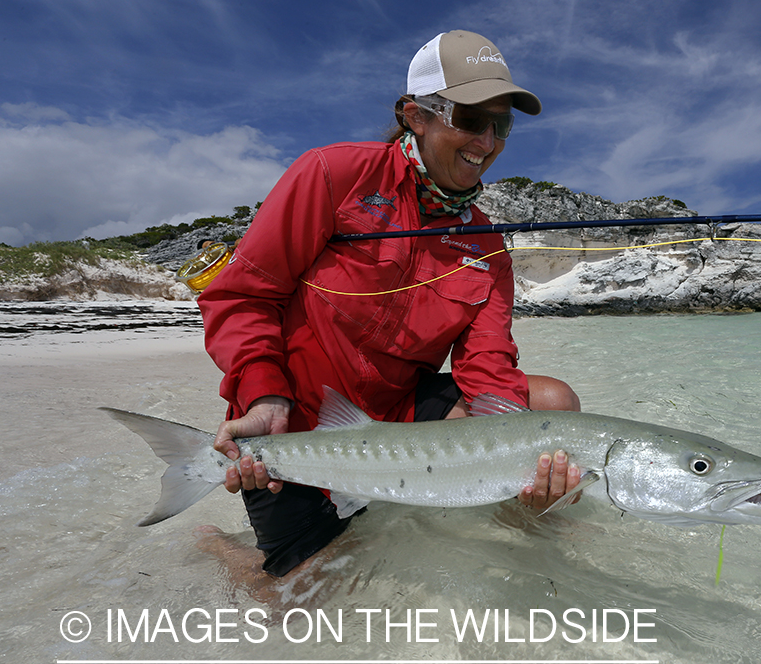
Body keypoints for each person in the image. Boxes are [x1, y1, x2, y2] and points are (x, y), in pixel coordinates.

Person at [197, 30, 581, 578]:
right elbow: (242, 296)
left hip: (398, 413)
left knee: (551, 408)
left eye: (503, 126)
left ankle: (522, 559)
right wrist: (263, 393)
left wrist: (519, 453)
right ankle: (219, 546)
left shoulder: (487, 245)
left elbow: (487, 364)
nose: (488, 142)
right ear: (414, 115)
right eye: (471, 120)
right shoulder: (333, 175)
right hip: (296, 413)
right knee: (303, 604)